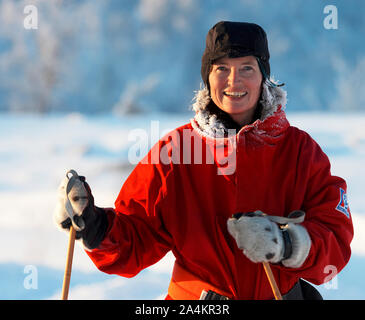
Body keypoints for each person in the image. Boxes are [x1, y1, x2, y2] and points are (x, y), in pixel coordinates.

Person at [54, 21, 353, 300]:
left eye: (247, 68)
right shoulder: (175, 150)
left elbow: (335, 237)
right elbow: (134, 240)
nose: (233, 80)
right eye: (221, 68)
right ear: (207, 78)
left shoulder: (300, 151)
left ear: (264, 76)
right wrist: (92, 225)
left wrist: (286, 245)